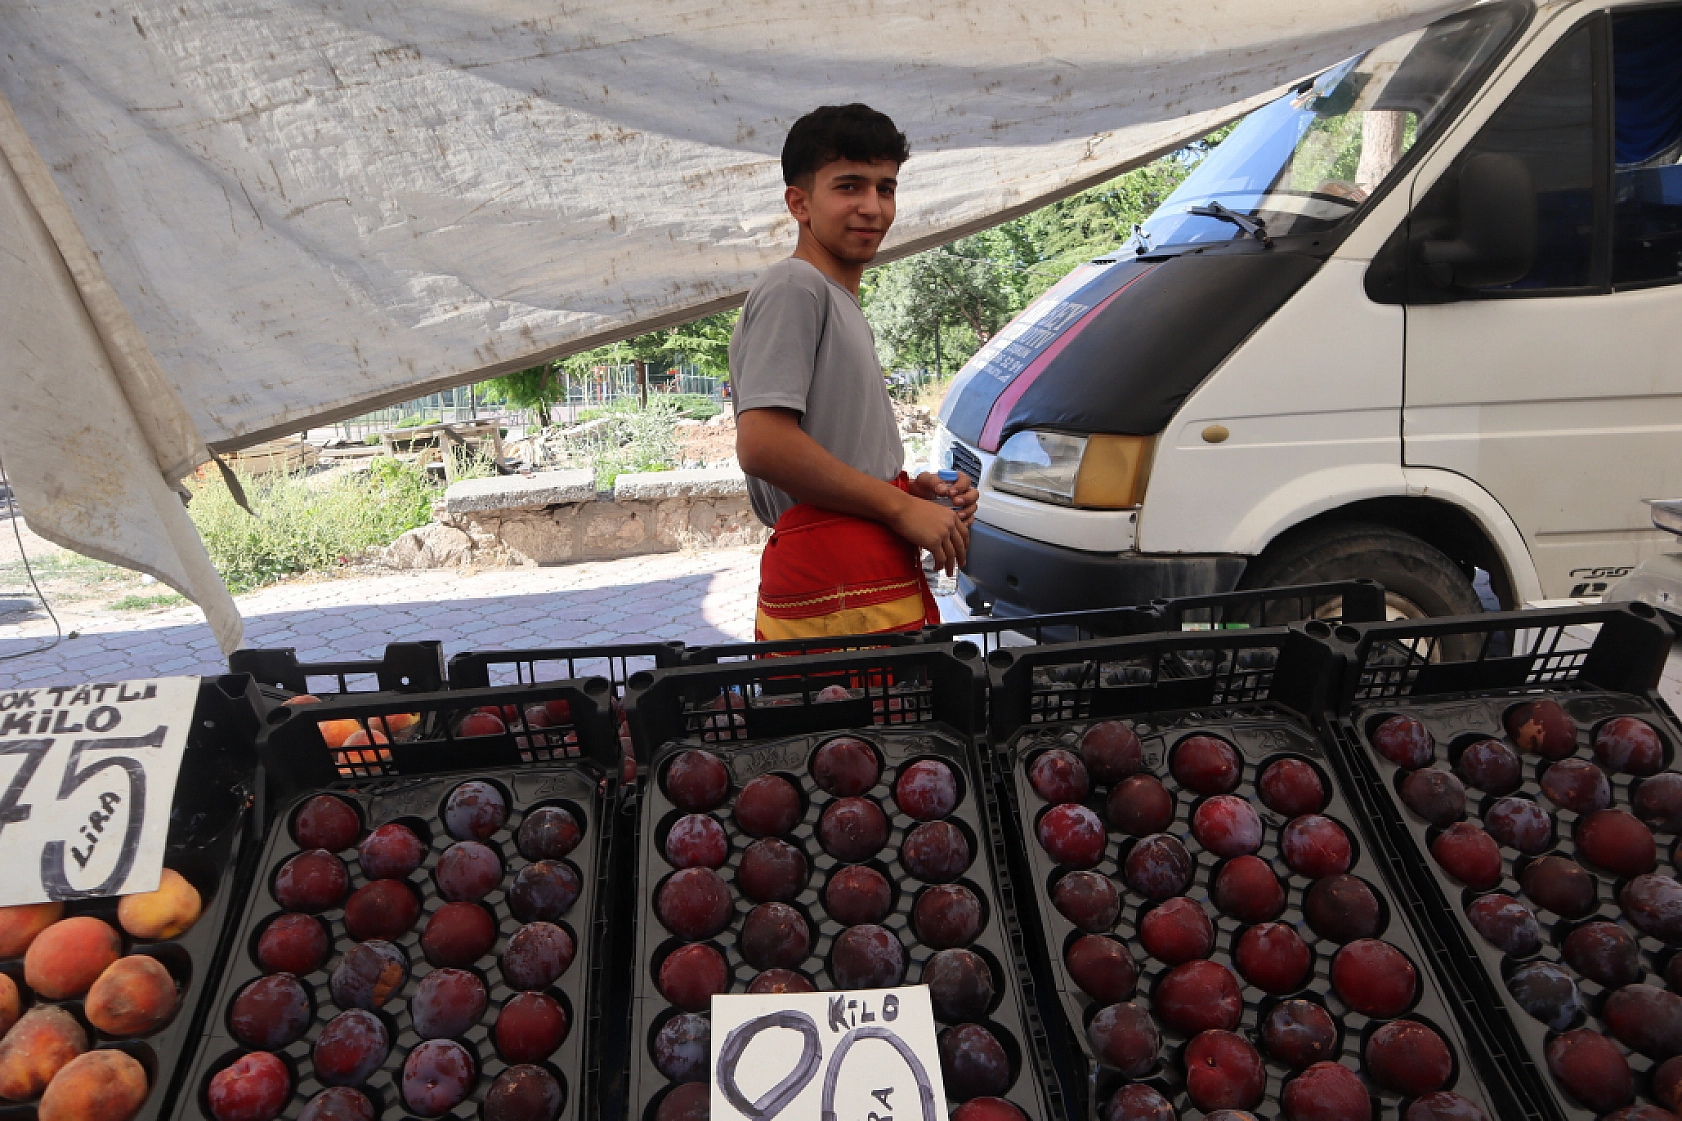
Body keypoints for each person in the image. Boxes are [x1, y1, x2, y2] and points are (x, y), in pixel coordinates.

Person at [730, 104, 977, 641]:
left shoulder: (835, 299)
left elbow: (835, 458)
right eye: (849, 186)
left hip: (857, 584)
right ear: (799, 201)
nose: (873, 207)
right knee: (854, 723)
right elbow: (763, 444)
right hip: (835, 590)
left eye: (885, 188)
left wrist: (913, 495)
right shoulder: (795, 285)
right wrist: (897, 507)